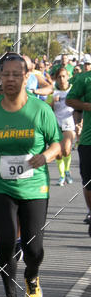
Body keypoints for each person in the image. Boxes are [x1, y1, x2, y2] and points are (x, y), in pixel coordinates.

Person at [0, 53, 61, 297]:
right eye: (5, 74)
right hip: (1, 186)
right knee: (6, 244)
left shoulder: (40, 110)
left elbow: (56, 144)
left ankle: (32, 276)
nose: (10, 79)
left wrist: (46, 156)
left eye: (16, 74)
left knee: (34, 248)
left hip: (34, 188)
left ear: (25, 77)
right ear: (0, 79)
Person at [64, 64, 91, 232]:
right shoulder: (85, 78)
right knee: (89, 183)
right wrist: (88, 106)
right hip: (89, 141)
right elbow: (70, 99)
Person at [48, 67, 75, 186]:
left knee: (67, 149)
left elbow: (79, 107)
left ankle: (67, 170)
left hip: (69, 123)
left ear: (68, 76)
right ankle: (62, 175)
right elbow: (47, 109)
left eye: (64, 76)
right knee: (58, 153)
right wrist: (53, 102)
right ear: (56, 78)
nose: (62, 79)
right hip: (56, 124)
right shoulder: (53, 91)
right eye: (59, 77)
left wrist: (81, 122)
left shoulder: (73, 90)